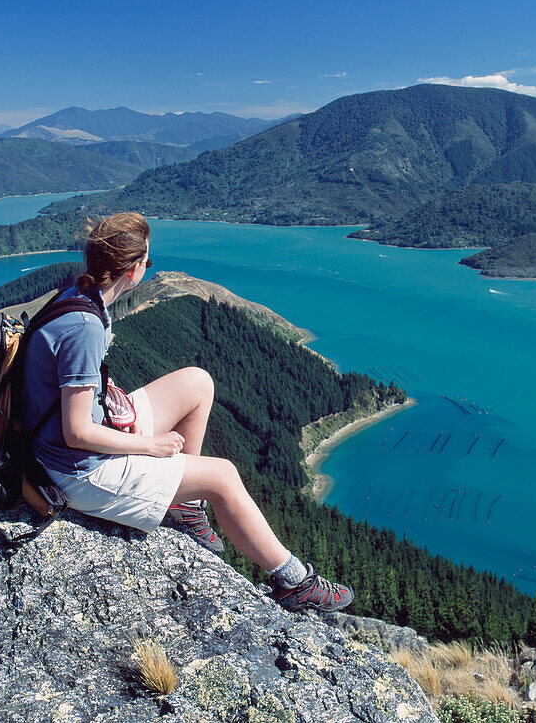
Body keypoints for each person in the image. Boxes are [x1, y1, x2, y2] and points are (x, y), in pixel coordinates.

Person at [22, 211, 353, 612]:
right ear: (132, 271)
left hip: (73, 438)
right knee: (223, 476)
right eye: (148, 261)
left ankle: (184, 504)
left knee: (197, 381)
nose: (149, 266)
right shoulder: (84, 327)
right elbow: (76, 432)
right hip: (77, 469)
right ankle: (295, 581)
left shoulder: (78, 293)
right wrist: (150, 446)